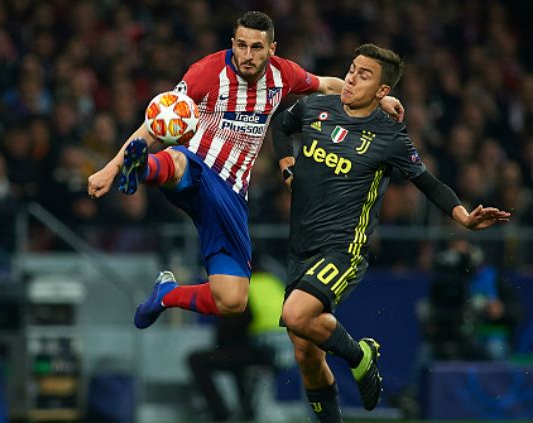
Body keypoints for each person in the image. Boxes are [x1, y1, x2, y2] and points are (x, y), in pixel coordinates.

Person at [87, 11, 404, 329]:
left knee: (232, 300)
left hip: (231, 194)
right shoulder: (206, 72)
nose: (247, 55)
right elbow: (159, 120)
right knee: (180, 161)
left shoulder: (284, 75)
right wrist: (111, 169)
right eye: (241, 45)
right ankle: (141, 170)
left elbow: (327, 85)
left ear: (272, 49)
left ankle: (166, 294)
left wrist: (379, 101)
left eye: (256, 47)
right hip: (197, 167)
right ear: (232, 44)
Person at [271, 43, 511, 422]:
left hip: (344, 247)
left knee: (297, 314)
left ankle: (360, 355)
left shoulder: (389, 137)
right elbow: (282, 123)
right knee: (305, 353)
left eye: (363, 75)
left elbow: (428, 183)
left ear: (383, 91)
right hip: (300, 244)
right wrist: (287, 166)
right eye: (351, 69)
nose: (351, 77)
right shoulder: (317, 107)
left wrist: (463, 216)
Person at [187, 268, 286, 421]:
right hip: (284, 348)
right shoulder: (272, 282)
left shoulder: (240, 286)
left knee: (201, 360)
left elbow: (238, 323)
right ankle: (246, 410)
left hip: (259, 347)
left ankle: (220, 412)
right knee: (235, 358)